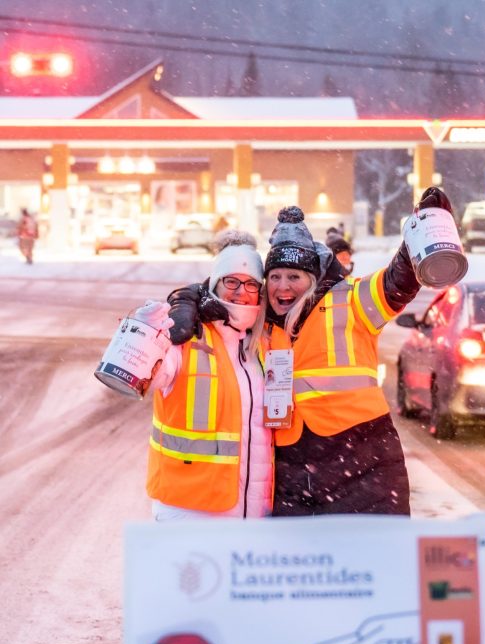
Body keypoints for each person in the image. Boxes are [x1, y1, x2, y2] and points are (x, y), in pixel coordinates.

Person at [167, 187, 454, 516]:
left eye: (294, 276)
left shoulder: (350, 300)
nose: (283, 287)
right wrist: (186, 297)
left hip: (363, 462)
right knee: (300, 566)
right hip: (292, 468)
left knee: (371, 563)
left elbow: (397, 281)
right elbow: (224, 292)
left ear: (313, 278)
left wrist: (422, 232)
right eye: (274, 277)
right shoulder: (259, 322)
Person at [139, 229, 273, 521]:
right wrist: (152, 330)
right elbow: (144, 375)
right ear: (214, 282)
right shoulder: (188, 336)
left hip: (254, 514)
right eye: (231, 280)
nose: (241, 291)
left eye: (251, 284)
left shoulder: (264, 343)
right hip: (190, 512)